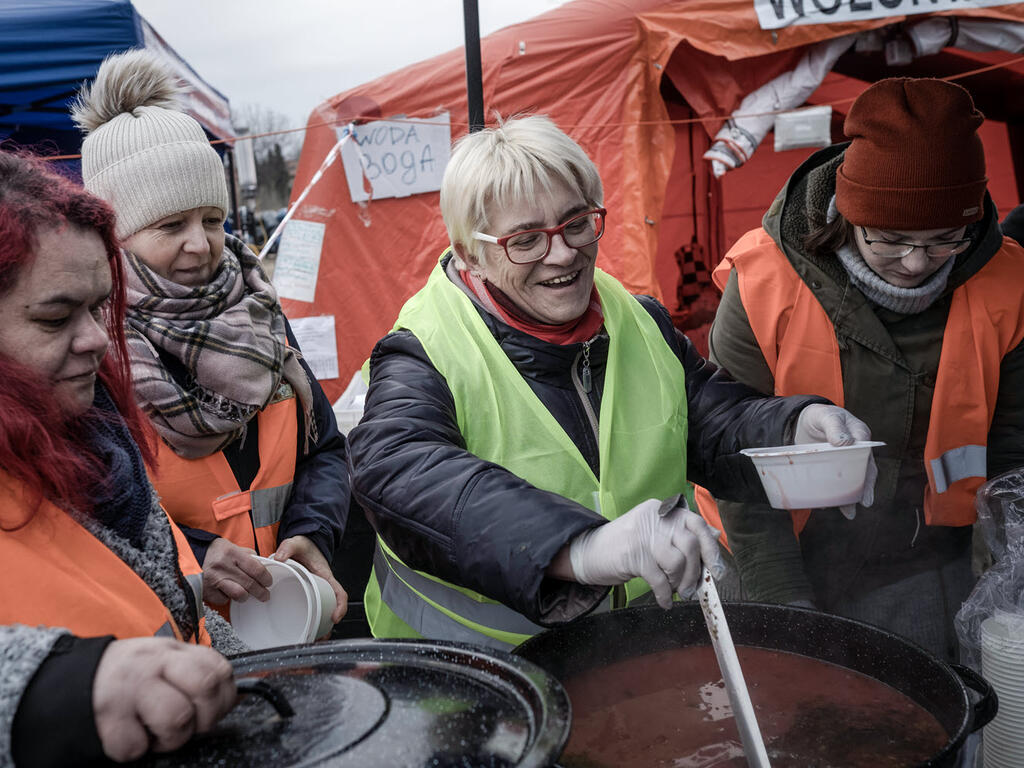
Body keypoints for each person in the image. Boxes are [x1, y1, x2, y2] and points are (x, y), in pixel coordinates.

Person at [346, 115, 870, 650]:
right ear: (469, 254)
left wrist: (793, 427)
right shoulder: (421, 350)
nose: (563, 253)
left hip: (628, 652)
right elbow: (401, 469)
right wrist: (582, 547)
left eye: (576, 222)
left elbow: (710, 420)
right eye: (525, 240)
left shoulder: (638, 319)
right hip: (475, 680)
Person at [701, 77, 1024, 661]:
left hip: (923, 557)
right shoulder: (763, 282)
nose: (916, 262)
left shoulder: (1011, 282)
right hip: (770, 552)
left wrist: (1008, 573)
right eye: (891, 239)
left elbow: (1012, 453)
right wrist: (783, 604)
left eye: (946, 239)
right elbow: (732, 457)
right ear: (847, 217)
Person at [71, 50, 351, 628]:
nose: (200, 245)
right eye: (170, 226)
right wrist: (195, 557)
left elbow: (323, 449)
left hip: (289, 621)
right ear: (114, 238)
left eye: (213, 220)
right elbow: (89, 516)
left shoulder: (259, 314)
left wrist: (313, 533)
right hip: (175, 650)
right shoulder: (90, 352)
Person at [0, 151, 240, 766]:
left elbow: (164, 599)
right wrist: (53, 693)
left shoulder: (98, 437)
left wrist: (255, 676)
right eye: (55, 317)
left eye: (99, 308)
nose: (97, 339)